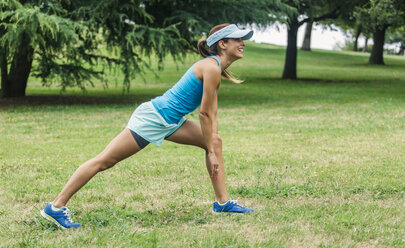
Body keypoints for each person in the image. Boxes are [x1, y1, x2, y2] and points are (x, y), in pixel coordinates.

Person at [40, 23, 254, 229]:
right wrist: (212, 155)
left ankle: (223, 202)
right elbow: (204, 114)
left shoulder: (214, 67)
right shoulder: (211, 67)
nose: (243, 42)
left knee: (215, 141)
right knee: (104, 161)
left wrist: (211, 148)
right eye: (238, 39)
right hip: (153, 119)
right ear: (223, 44)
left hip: (171, 121)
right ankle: (56, 206)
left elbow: (212, 112)